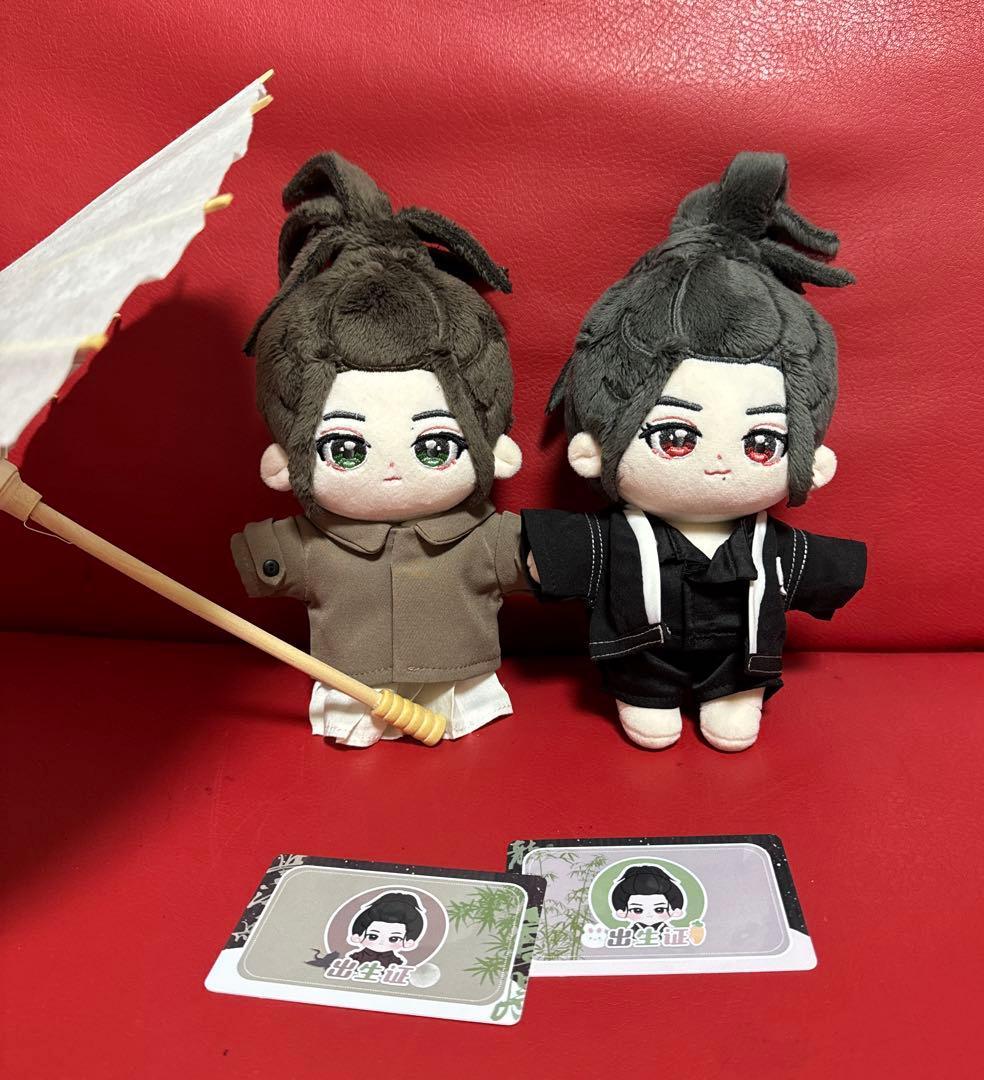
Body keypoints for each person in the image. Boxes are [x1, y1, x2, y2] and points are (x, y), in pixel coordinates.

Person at [523, 152, 867, 752]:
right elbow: (541, 559)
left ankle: (733, 695)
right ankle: (647, 695)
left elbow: (827, 572)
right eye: (675, 437)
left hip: (741, 666)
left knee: (738, 692)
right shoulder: (615, 538)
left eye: (763, 443)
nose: (718, 464)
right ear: (593, 451)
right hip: (642, 662)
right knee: (647, 702)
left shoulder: (773, 545)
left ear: (811, 459)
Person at [232, 153, 525, 747]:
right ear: (286, 463)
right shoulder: (313, 544)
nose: (392, 470)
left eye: (436, 446)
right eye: (344, 449)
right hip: (353, 684)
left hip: (459, 682)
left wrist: (561, 554)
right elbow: (263, 560)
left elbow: (536, 555)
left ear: (493, 449)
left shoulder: (482, 536)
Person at [346, 892, 426, 968]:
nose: (381, 943)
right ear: (358, 936)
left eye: (393, 939)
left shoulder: (396, 962)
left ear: (408, 942)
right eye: (373, 936)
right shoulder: (355, 957)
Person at [610, 865, 685, 936]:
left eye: (659, 909)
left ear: (674, 910)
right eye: (637, 910)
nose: (649, 915)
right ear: (622, 911)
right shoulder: (629, 933)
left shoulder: (671, 933)